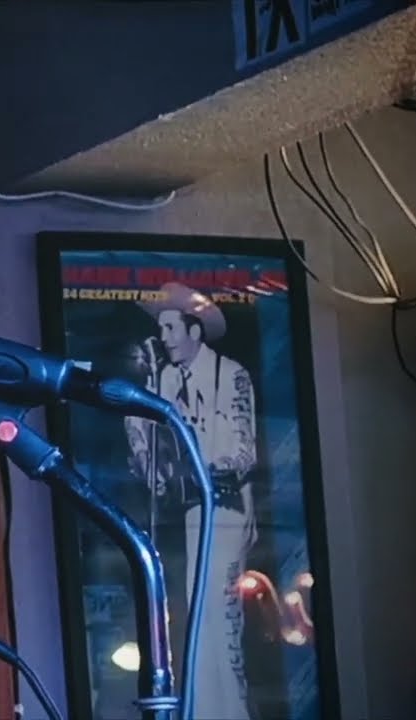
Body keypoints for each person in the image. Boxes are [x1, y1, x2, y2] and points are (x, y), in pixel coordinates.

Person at [124, 282, 259, 720]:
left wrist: (199, 457)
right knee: (191, 616)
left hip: (224, 509)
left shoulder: (230, 374)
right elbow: (145, 439)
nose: (163, 338)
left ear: (194, 331)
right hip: (186, 513)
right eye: (161, 329)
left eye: (170, 327)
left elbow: (243, 451)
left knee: (220, 617)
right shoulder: (162, 379)